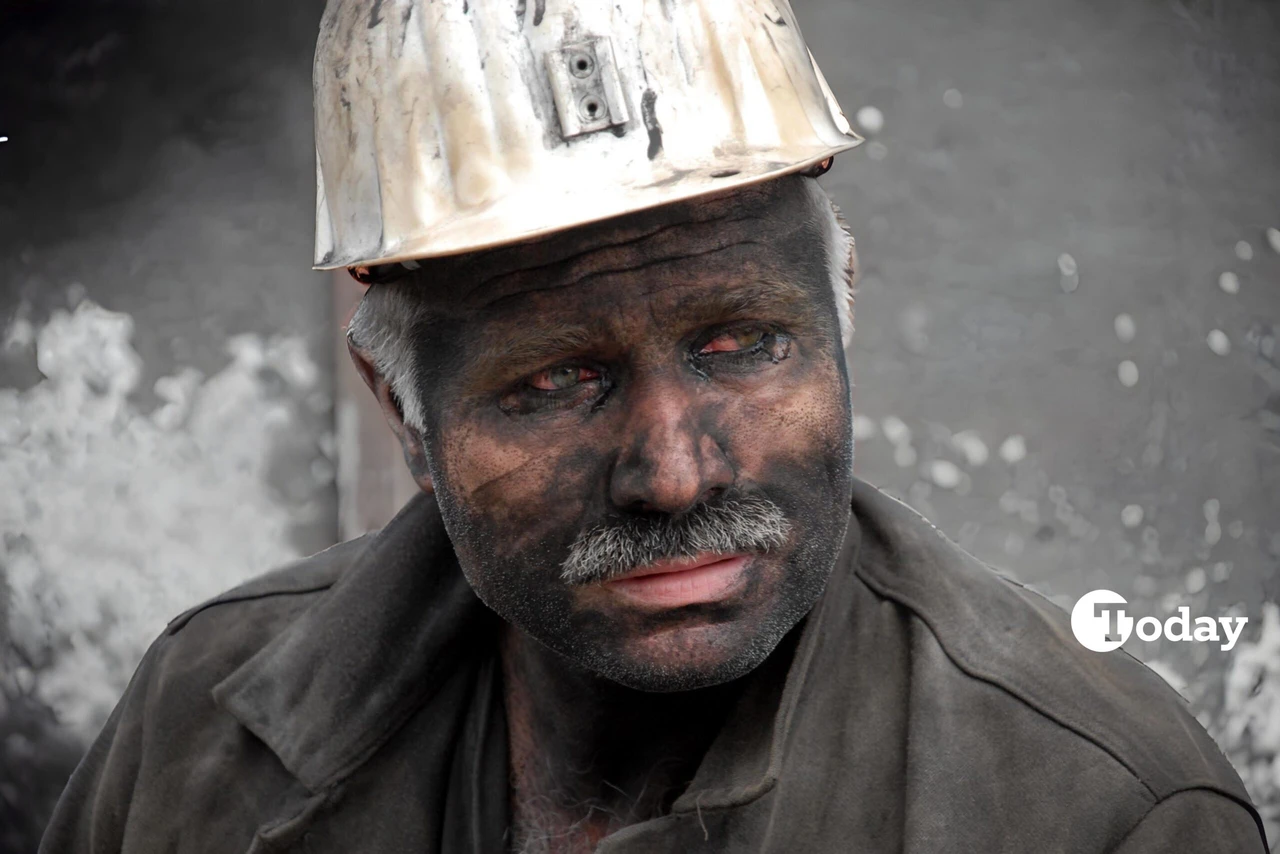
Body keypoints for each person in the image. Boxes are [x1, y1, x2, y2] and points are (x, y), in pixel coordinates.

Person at [41, 0, 1267, 851]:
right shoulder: (195, 720)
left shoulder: (1093, 807)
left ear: (840, 320)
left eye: (744, 346)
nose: (674, 474)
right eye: (552, 382)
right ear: (406, 416)